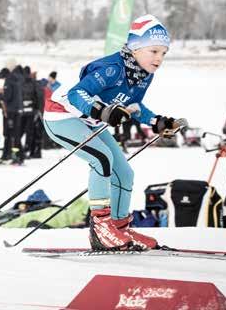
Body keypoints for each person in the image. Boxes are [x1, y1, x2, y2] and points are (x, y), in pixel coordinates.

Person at [43, 15, 187, 251]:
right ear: (136, 47)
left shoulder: (144, 75)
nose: (159, 58)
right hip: (61, 117)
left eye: (163, 53)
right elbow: (76, 94)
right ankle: (100, 228)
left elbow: (134, 107)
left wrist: (157, 121)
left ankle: (119, 227)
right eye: (154, 51)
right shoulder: (112, 68)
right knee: (102, 158)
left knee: (124, 173)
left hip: (89, 122)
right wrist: (102, 111)